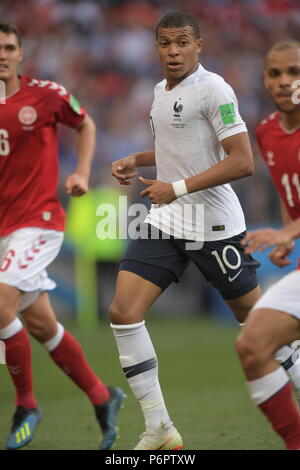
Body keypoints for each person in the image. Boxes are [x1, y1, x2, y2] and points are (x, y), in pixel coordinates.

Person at [110, 11, 300, 450]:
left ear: (199, 45)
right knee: (123, 312)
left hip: (213, 225)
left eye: (181, 42)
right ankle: (159, 428)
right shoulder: (159, 91)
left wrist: (174, 188)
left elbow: (242, 162)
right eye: (164, 43)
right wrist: (137, 161)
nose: (172, 51)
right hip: (166, 220)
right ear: (156, 48)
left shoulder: (214, 89)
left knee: (257, 329)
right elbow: (176, 150)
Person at [0, 22, 125, 450]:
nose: (3, 54)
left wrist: (81, 172)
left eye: (9, 47)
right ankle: (102, 396)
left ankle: (26, 404)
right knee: (42, 326)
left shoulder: (46, 94)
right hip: (2, 230)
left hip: (38, 221)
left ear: (21, 53)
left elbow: (86, 125)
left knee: (1, 305)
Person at [236, 40, 300, 450]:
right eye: (275, 73)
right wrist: (287, 234)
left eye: (293, 72)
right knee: (253, 346)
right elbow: (286, 191)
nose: (284, 81)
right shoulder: (266, 132)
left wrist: (289, 233)